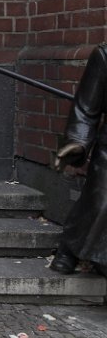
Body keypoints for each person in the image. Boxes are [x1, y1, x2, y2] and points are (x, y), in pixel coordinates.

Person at [50, 43, 107, 275]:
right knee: (101, 200)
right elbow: (85, 110)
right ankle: (70, 248)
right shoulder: (104, 56)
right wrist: (77, 141)